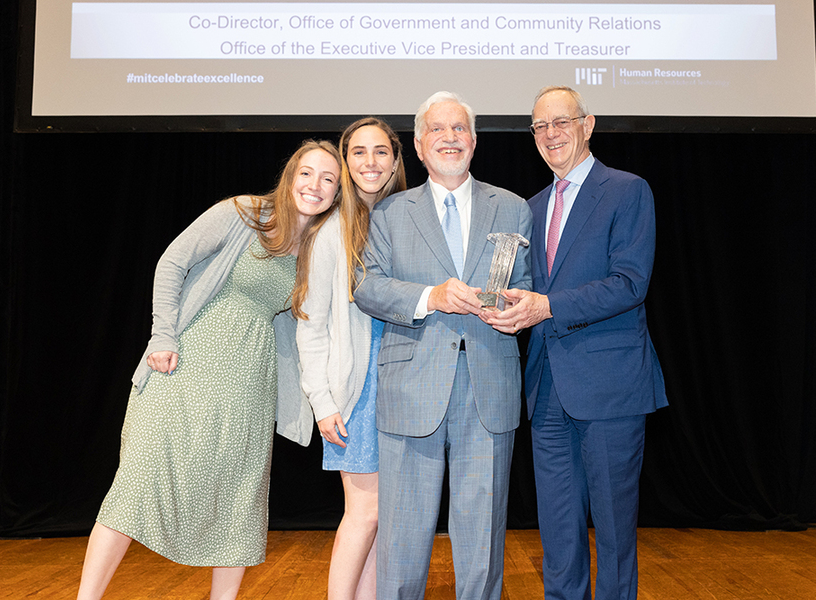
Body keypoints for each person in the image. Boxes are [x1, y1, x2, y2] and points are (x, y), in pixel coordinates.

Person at [76, 140, 342, 600]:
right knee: (136, 486)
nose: (314, 185)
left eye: (328, 179)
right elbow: (172, 261)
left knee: (238, 503)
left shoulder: (320, 249)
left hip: (248, 386)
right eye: (306, 173)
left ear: (337, 194)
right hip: (184, 368)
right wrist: (163, 334)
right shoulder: (243, 213)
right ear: (289, 177)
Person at [481, 86, 669, 600]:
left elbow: (630, 283)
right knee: (559, 531)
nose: (550, 134)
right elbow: (532, 290)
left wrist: (546, 307)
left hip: (610, 387)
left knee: (612, 530)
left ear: (588, 125)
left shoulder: (628, 190)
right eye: (539, 127)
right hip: (547, 391)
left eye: (560, 122)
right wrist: (514, 308)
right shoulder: (532, 208)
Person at [352, 91, 533, 600]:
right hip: (411, 390)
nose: (449, 138)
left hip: (489, 388)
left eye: (459, 129)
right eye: (438, 129)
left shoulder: (513, 208)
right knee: (402, 546)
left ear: (473, 141)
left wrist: (519, 310)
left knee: (482, 545)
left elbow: (528, 283)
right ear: (420, 144)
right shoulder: (388, 213)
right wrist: (430, 296)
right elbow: (367, 286)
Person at [283, 118, 407, 600]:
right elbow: (310, 324)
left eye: (381, 152)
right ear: (345, 160)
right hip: (355, 389)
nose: (370, 162)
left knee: (384, 515)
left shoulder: (405, 218)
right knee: (366, 512)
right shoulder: (332, 230)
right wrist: (323, 400)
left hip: (401, 378)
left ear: (397, 160)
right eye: (358, 153)